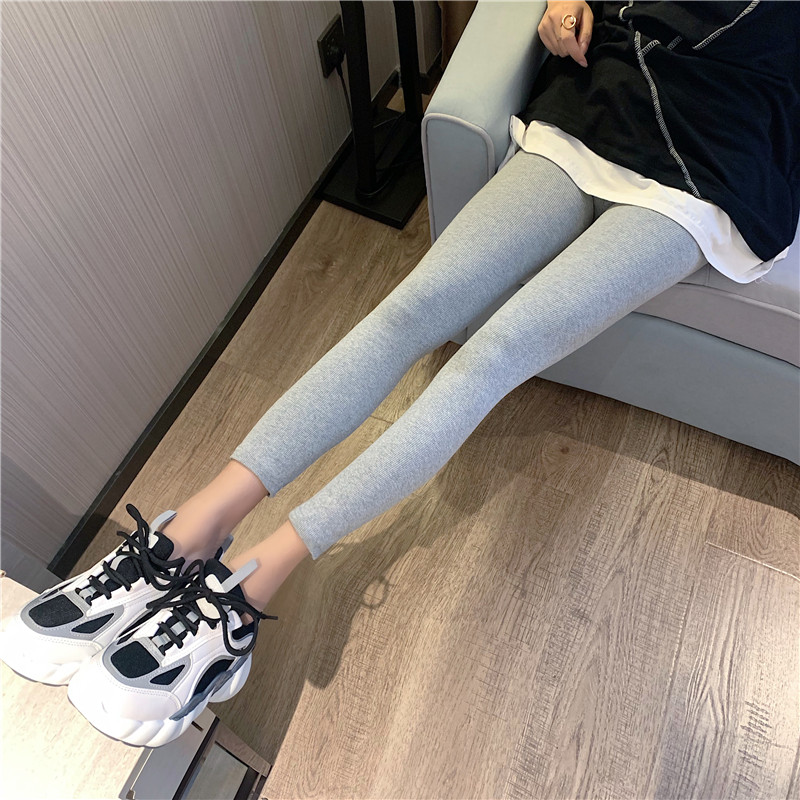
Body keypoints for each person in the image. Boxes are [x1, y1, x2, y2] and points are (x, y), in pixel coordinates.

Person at [2, 0, 797, 748]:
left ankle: (245, 593)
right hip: (606, 90)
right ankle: (192, 531)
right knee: (410, 310)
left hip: (725, 151)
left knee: (493, 355)